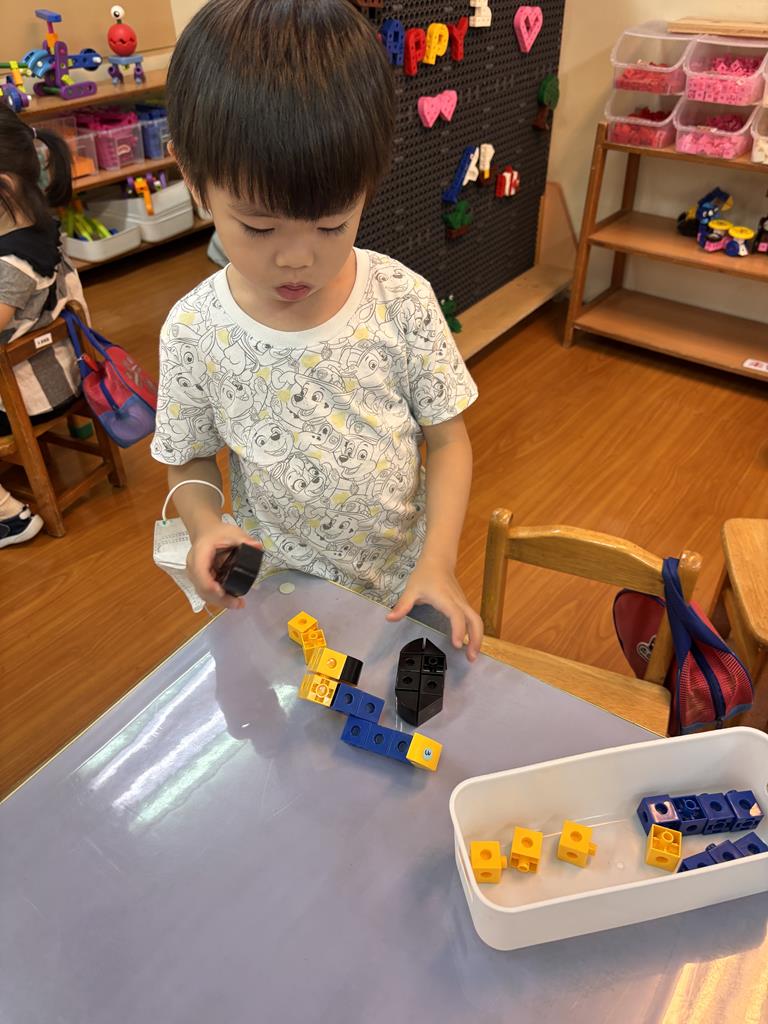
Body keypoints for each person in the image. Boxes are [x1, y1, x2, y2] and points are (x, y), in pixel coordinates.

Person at [151, 0, 484, 659]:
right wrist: (205, 525)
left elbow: (449, 442)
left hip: (401, 593)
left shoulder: (401, 299)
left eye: (333, 224)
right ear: (192, 178)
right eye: (259, 227)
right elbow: (188, 459)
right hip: (274, 600)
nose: (297, 259)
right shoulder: (192, 329)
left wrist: (439, 563)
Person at [0, 106, 87, 548]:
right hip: (66, 370)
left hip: (31, 394)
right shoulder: (41, 226)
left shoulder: (11, 265)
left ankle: (9, 516)